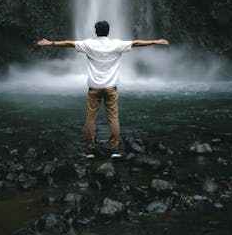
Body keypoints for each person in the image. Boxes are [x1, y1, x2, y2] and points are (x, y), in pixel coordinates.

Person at [37, 20, 169, 159]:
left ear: (96, 32)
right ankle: (114, 149)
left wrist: (50, 43)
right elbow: (136, 43)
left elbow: (69, 43)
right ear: (108, 31)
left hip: (94, 87)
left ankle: (89, 150)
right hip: (110, 88)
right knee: (113, 118)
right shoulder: (116, 44)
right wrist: (155, 41)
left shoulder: (89, 44)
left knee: (90, 119)